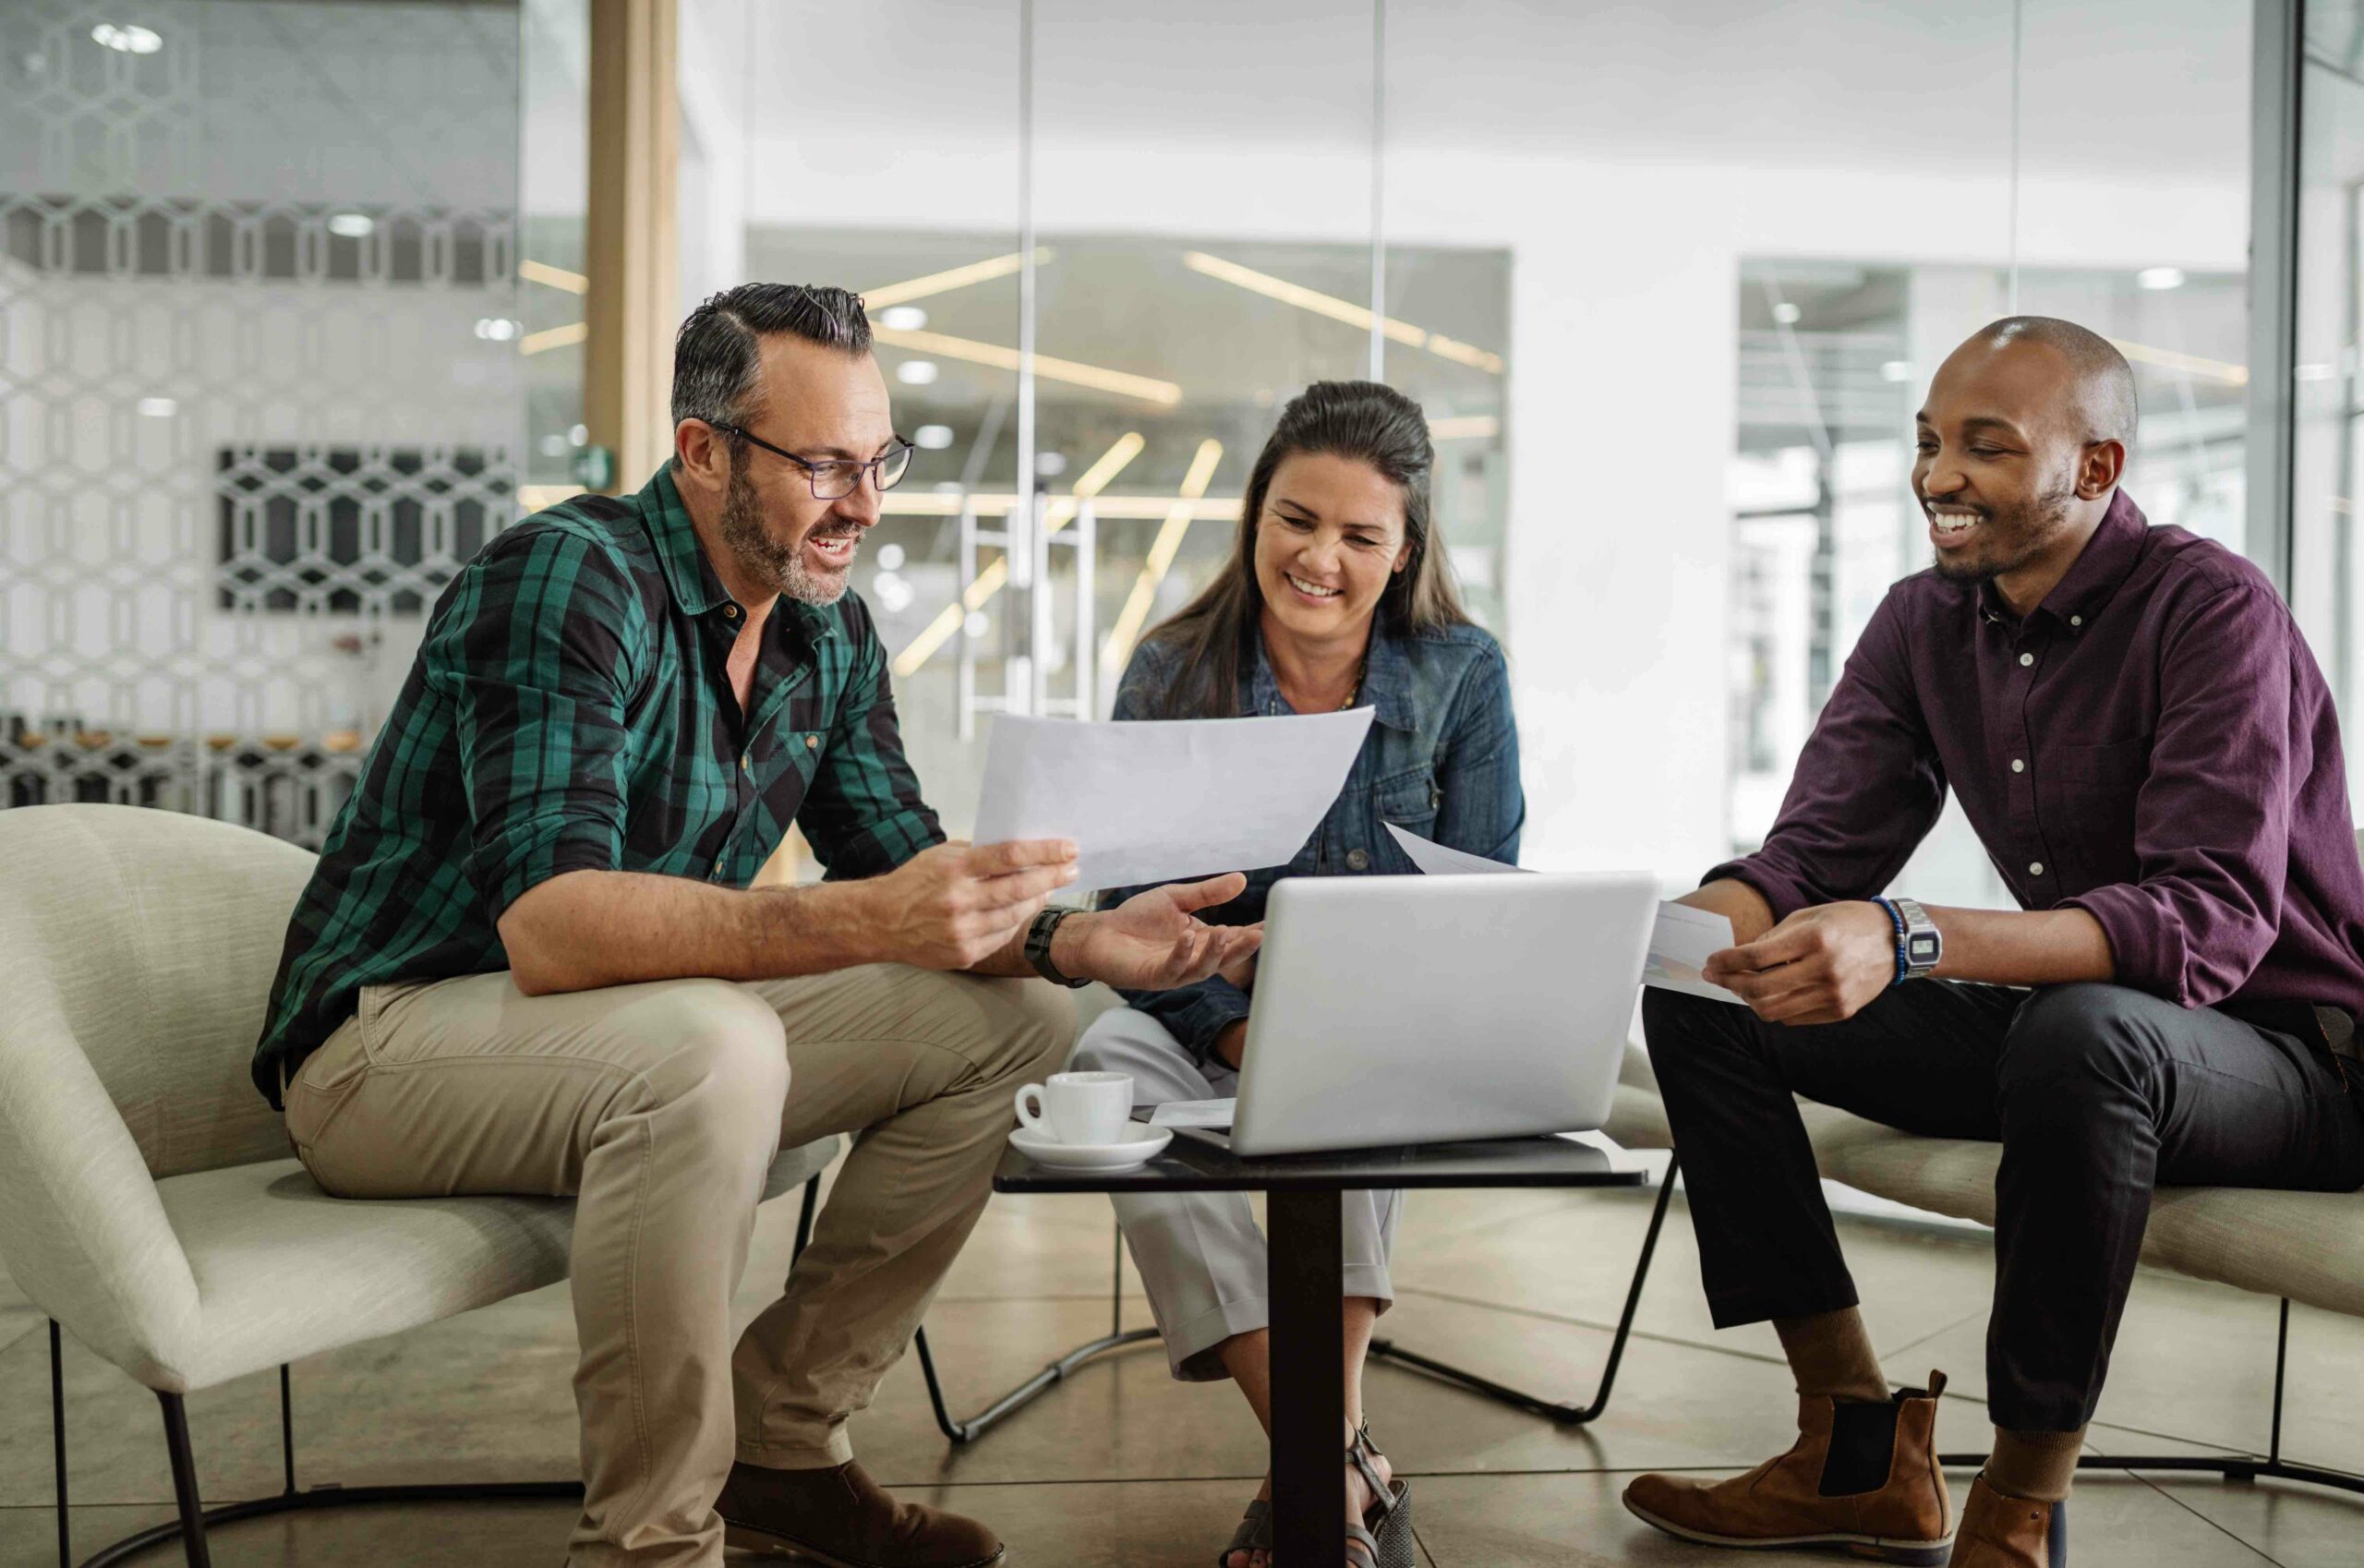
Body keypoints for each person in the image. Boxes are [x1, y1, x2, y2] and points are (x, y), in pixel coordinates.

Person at [248, 283, 1260, 1568]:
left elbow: (906, 873)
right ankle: (654, 1545)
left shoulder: (825, 635)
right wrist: (858, 918)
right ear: (702, 450)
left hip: (625, 1042)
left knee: (1017, 1023)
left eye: (877, 459)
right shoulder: (569, 576)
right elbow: (552, 928)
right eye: (824, 465)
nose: (866, 503)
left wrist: (1075, 941)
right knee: (710, 1048)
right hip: (385, 1050)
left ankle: (785, 1440)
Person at [1623, 318, 2364, 1568]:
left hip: (2293, 1058)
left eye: (1984, 446)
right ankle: (1851, 1449)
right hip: (2084, 1041)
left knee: (2088, 1037)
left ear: (2095, 468)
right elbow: (1809, 857)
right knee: (1712, 992)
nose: (1936, 476)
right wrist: (1660, 945)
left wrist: (1909, 938)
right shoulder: (1925, 623)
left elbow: (2208, 924)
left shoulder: (2210, 609)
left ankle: (2015, 1517)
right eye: (1926, 443)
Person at [1067, 380, 1524, 1568]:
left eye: (1358, 535)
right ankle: (1338, 1459)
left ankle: (1309, 1481)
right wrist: (1228, 1031)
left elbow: (1481, 894)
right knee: (1104, 1063)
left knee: (1353, 1067)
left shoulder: (1462, 673)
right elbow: (1126, 916)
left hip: (1378, 1019)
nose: (1318, 556)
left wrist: (1329, 997)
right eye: (1295, 519)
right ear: (1255, 517)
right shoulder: (1171, 672)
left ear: (1403, 549)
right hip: (1202, 1019)